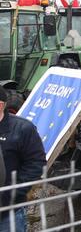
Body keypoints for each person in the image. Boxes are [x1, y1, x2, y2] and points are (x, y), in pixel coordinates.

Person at [0, 87, 47, 231]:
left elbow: (36, 163)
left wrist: (12, 194)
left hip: (9, 211)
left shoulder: (23, 129)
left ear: (1, 105)